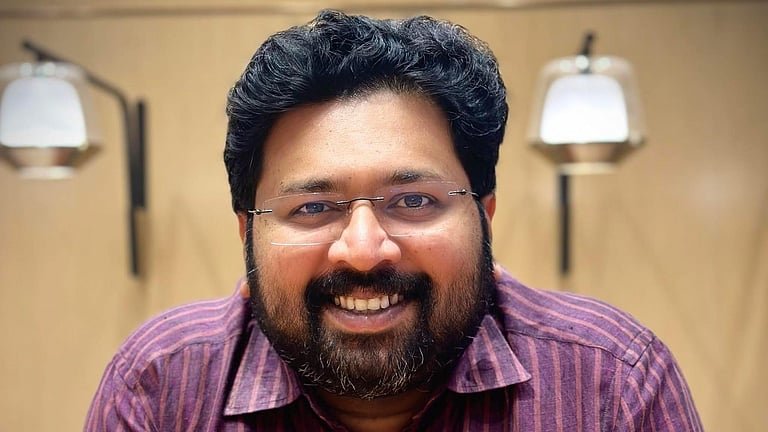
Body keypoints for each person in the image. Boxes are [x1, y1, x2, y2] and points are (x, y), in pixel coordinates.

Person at [85, 10, 703, 432]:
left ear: (484, 215)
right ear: (247, 233)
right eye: (312, 208)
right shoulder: (162, 385)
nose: (363, 249)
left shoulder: (612, 383)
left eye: (413, 201)